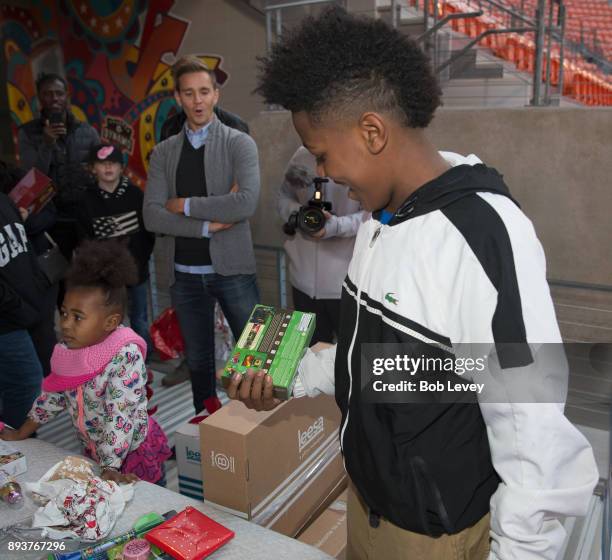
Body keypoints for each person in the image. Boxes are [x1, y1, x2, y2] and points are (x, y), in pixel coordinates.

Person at [226, 7, 599, 560]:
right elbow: (393, 362)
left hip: (438, 537)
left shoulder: (484, 234)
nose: (324, 176)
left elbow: (531, 425)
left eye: (324, 155)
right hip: (369, 505)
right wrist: (294, 374)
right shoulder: (381, 222)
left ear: (372, 131)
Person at [143, 55, 260, 413]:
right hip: (186, 275)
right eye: (189, 93)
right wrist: (207, 225)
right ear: (178, 98)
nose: (197, 101)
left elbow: (244, 204)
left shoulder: (240, 143)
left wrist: (185, 205)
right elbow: (151, 215)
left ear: (216, 95)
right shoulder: (164, 153)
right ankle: (205, 424)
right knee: (198, 360)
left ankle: (258, 426)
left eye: (204, 92)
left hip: (234, 271)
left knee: (253, 357)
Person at [0, 240, 171, 485]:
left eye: (78, 317)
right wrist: (21, 432)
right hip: (96, 453)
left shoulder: (124, 355)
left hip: (130, 454)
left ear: (110, 322)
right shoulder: (68, 350)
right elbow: (54, 395)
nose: (66, 324)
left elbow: (119, 412)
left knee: (151, 513)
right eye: (65, 313)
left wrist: (111, 465)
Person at [278, 147, 365, 344]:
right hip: (302, 282)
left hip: (346, 285)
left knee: (352, 359)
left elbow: (372, 214)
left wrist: (335, 226)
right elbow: (283, 197)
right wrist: (302, 215)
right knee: (309, 356)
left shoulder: (362, 156)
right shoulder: (300, 155)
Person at [76, 143, 155, 357]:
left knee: (139, 316)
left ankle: (142, 356)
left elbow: (148, 232)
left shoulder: (135, 194)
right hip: (105, 274)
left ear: (122, 167)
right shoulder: (86, 200)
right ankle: (112, 358)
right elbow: (85, 238)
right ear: (93, 168)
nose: (108, 168)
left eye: (113, 163)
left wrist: (142, 257)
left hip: (136, 269)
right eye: (102, 164)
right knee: (109, 316)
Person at [18, 72, 100, 262]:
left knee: (91, 270)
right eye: (48, 93)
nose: (54, 98)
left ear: (66, 96)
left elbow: (100, 172)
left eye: (59, 93)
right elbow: (31, 179)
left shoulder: (87, 131)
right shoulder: (28, 134)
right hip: (52, 218)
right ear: (40, 98)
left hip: (85, 215)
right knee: (58, 274)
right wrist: (47, 144)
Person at [0, 160, 58, 377]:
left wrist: (22, 220)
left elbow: (50, 214)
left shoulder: (22, 177)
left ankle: (53, 386)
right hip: (12, 298)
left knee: (44, 333)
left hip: (39, 268)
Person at [0, 189, 47, 428]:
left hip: (23, 311)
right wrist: (21, 309)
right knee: (27, 383)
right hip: (8, 321)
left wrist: (36, 287)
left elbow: (23, 246)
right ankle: (14, 446)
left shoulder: (3, 198)